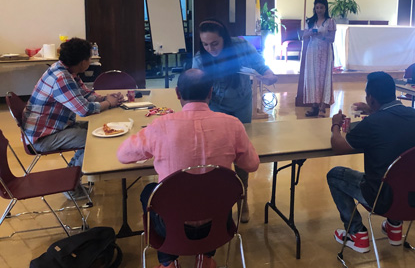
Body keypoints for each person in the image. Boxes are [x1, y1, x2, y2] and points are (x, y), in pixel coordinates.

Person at [117, 69, 260, 268]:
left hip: (170, 226)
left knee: (149, 194)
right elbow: (252, 165)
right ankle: (206, 256)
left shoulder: (160, 126)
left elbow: (123, 155)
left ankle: (167, 262)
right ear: (211, 93)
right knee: (216, 192)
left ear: (177, 93)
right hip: (218, 223)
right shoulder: (233, 125)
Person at [327, 71, 415, 253]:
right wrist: (373, 110)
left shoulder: (372, 123)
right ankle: (395, 228)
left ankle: (356, 233)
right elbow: (392, 122)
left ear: (372, 99)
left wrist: (335, 124)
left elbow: (339, 146)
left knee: (335, 174)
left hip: (383, 199)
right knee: (401, 171)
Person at [192, 18, 276, 222]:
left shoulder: (240, 46)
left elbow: (260, 65)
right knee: (215, 154)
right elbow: (195, 86)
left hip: (240, 103)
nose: (210, 48)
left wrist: (268, 74)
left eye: (215, 43)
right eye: (205, 44)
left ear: (225, 40)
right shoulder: (200, 58)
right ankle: (218, 202)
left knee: (241, 153)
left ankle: (242, 199)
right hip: (215, 106)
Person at [22, 38, 123, 198]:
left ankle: (71, 176)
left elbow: (85, 94)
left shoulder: (65, 70)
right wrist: (109, 104)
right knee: (93, 140)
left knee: (95, 131)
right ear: (83, 62)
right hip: (42, 138)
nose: (90, 61)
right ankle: (71, 188)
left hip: (51, 129)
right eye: (89, 58)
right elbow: (83, 109)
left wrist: (106, 98)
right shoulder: (61, 77)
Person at [303, 0, 336, 117]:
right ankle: (314, 105)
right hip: (312, 51)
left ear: (325, 8)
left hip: (325, 51)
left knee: (323, 78)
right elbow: (304, 36)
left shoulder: (330, 21)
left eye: (321, 7)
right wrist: (311, 33)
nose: (319, 10)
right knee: (312, 78)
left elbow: (332, 39)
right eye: (317, 7)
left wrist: (322, 36)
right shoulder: (310, 21)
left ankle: (323, 106)